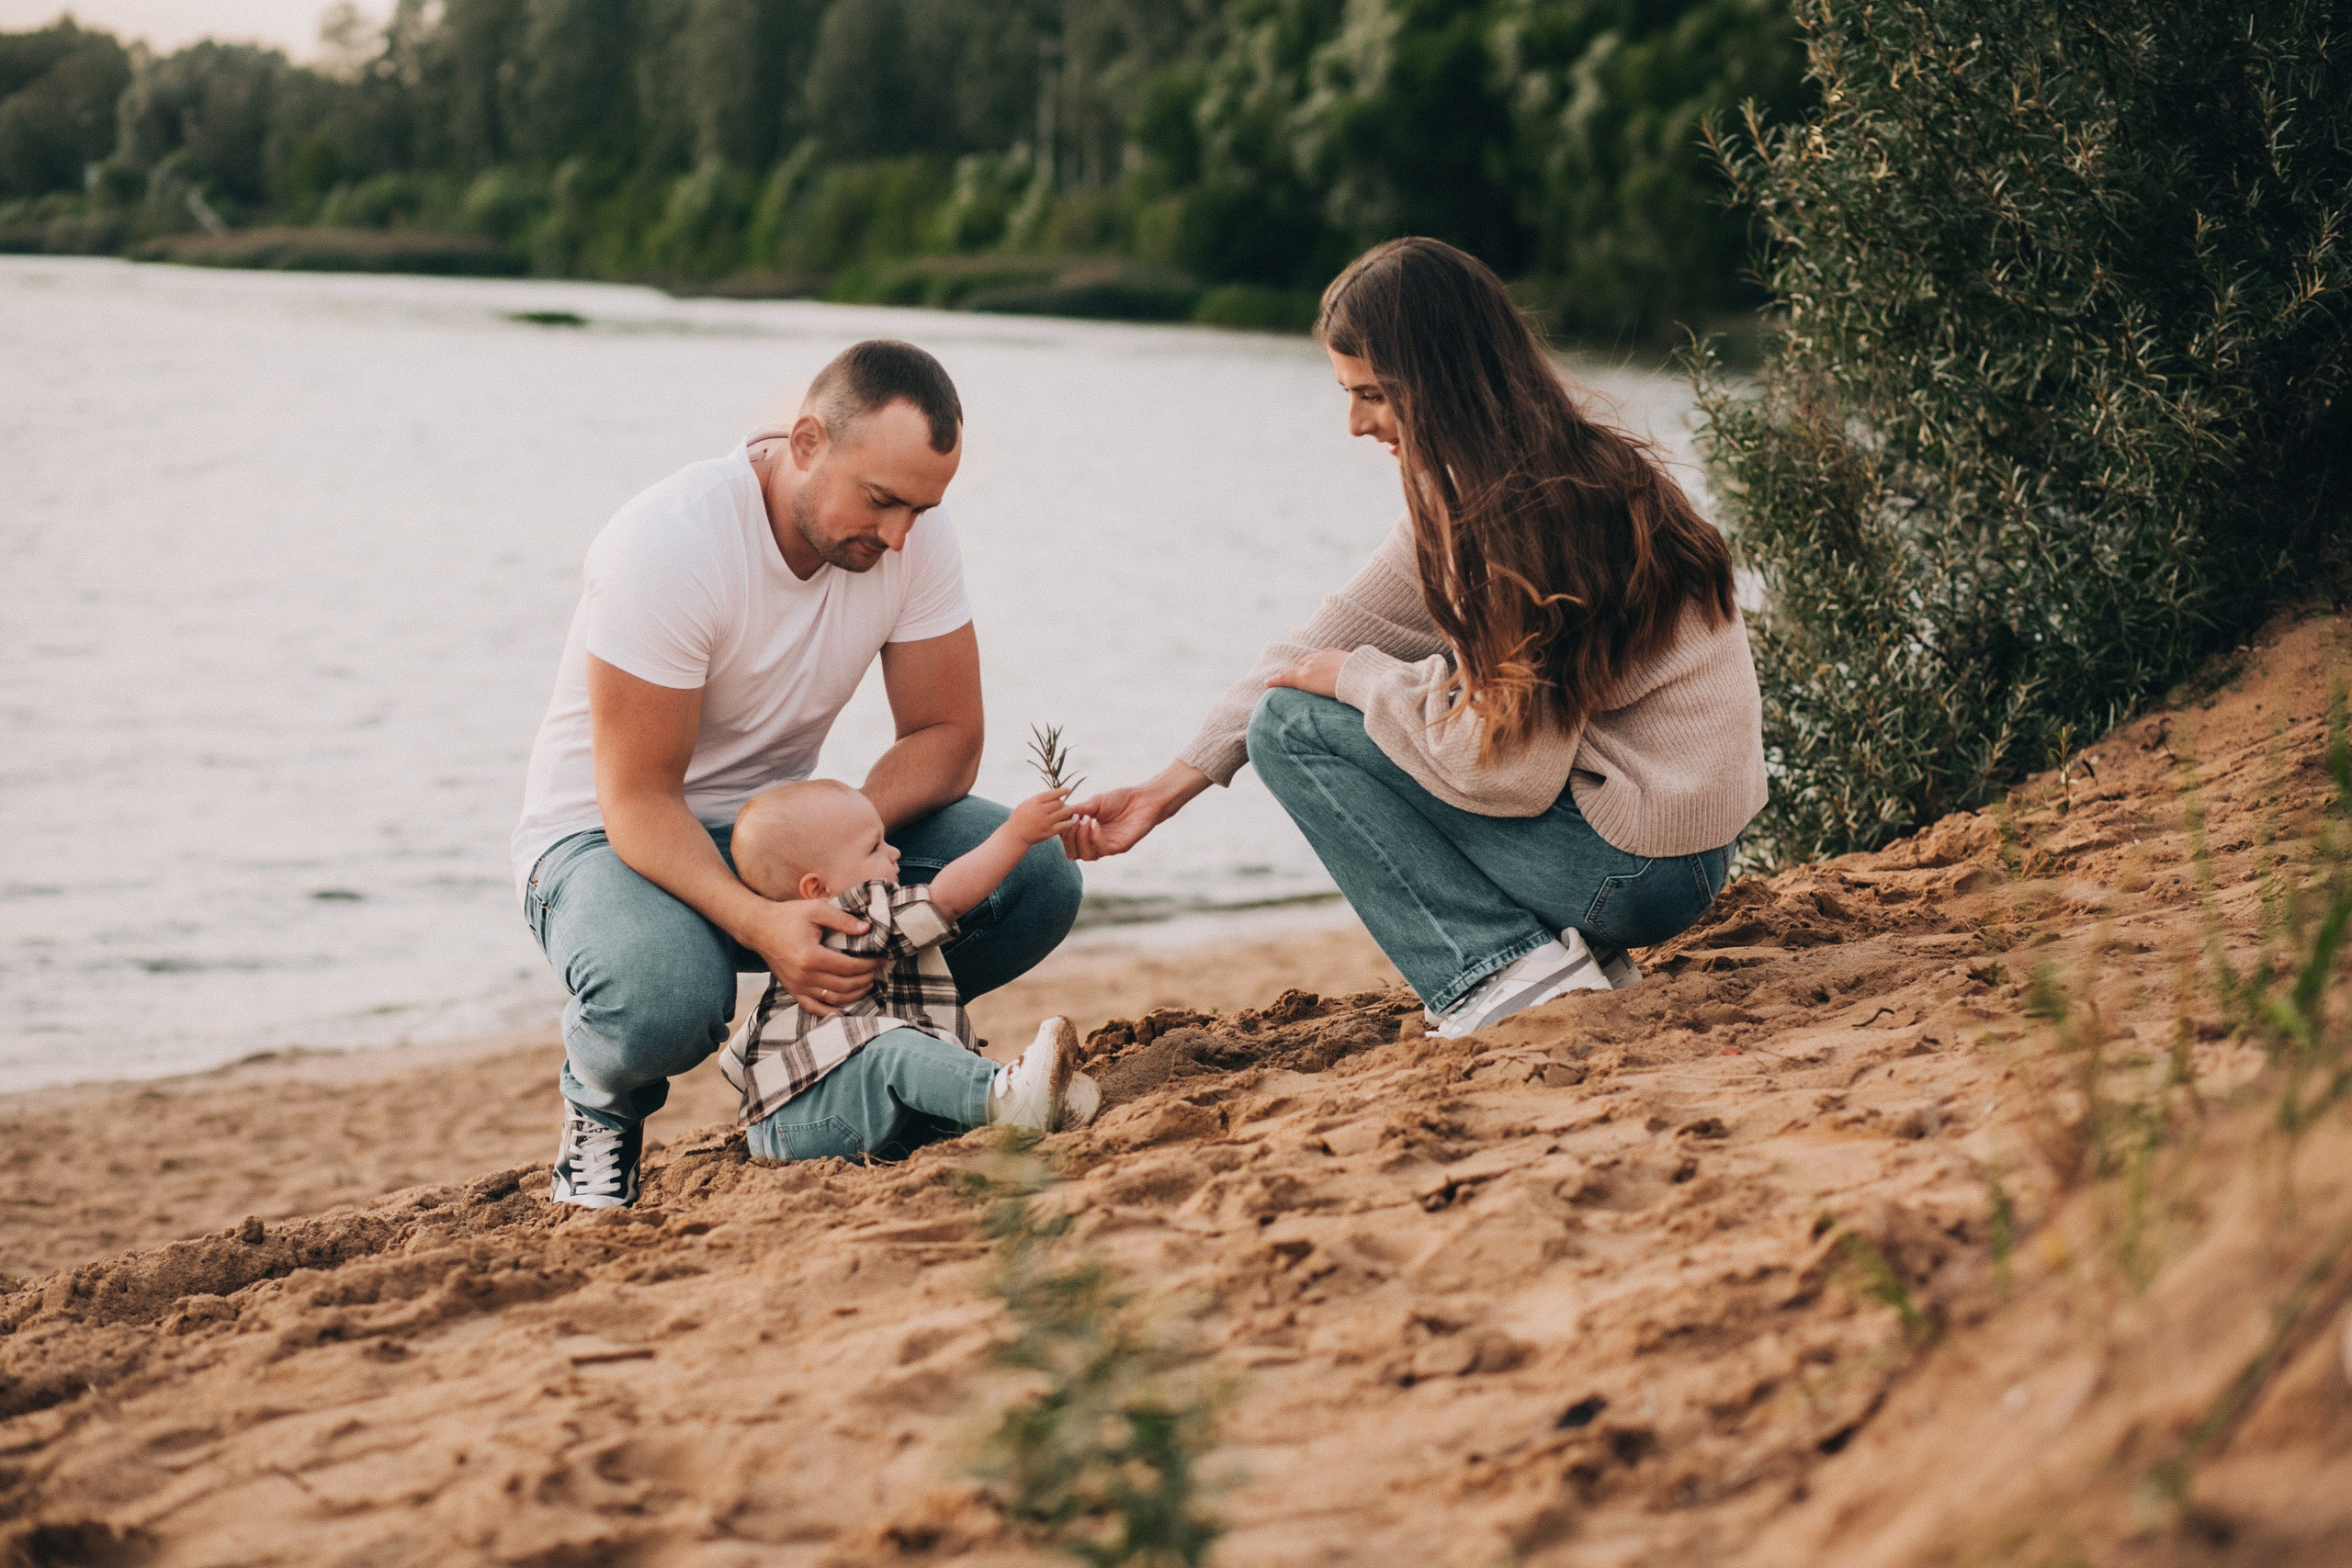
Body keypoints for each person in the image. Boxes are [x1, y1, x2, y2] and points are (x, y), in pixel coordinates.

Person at [1062, 238, 1765, 1040]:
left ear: (1442, 381)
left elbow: (1506, 772)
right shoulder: (1543, 475)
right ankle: (1569, 958)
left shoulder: (1525, 523)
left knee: (1292, 730)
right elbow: (1305, 650)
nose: (1355, 423)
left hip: (1636, 865)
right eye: (1347, 393)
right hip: (1683, 853)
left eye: (1374, 395)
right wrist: (1164, 790)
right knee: (1304, 701)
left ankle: (1501, 968)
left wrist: (1362, 680)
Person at [514, 340, 1082, 1209]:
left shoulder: (912, 538)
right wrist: (768, 922)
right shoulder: (670, 543)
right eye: (883, 501)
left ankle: (866, 1050)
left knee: (1034, 880)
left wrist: (840, 847)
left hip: (784, 837)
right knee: (666, 1000)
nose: (898, 536)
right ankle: (601, 1109)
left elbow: (947, 738)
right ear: (807, 442)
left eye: (920, 511)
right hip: (609, 840)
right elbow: (635, 800)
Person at [717, 778, 1100, 1166]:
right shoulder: (848, 915)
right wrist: (1015, 834)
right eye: (874, 847)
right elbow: (947, 899)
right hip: (800, 1120)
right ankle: (1004, 1096)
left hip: (822, 1116)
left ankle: (1016, 1104)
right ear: (817, 888)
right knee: (890, 1051)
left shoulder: (821, 929)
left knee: (910, 1046)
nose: (895, 852)